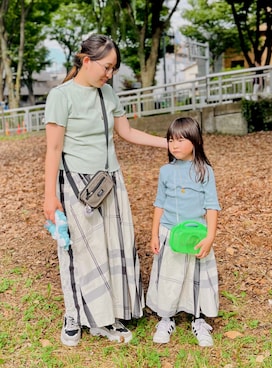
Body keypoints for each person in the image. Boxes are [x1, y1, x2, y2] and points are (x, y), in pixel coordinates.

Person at [43, 34, 167, 347]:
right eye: (107, 67)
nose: (109, 74)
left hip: (109, 181)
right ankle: (74, 315)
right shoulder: (61, 96)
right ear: (87, 60)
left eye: (113, 69)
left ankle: (107, 317)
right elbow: (54, 149)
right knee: (79, 252)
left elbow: (126, 132)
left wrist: (168, 144)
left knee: (114, 247)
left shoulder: (106, 93)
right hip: (75, 183)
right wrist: (49, 195)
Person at [146, 117, 221, 347]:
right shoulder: (165, 171)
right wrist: (154, 234)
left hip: (197, 236)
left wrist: (210, 237)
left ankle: (198, 319)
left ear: (195, 141)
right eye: (170, 140)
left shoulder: (204, 171)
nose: (174, 145)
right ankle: (166, 318)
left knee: (195, 277)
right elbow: (159, 203)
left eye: (180, 139)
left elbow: (212, 206)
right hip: (170, 235)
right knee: (170, 276)